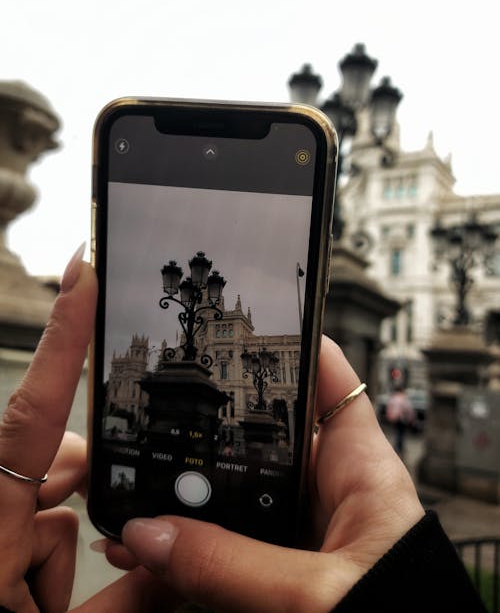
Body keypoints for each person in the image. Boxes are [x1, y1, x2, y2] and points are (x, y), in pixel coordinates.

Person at [0, 248, 487, 612]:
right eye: (222, 331)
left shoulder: (253, 351)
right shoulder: (205, 341)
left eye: (229, 331)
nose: (220, 337)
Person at [385, 386, 416, 455]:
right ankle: (399, 447)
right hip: (402, 418)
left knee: (397, 432)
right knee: (401, 433)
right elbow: (408, 409)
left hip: (394, 418)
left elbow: (389, 408)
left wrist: (389, 416)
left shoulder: (393, 398)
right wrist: (412, 418)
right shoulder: (403, 398)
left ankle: (398, 446)